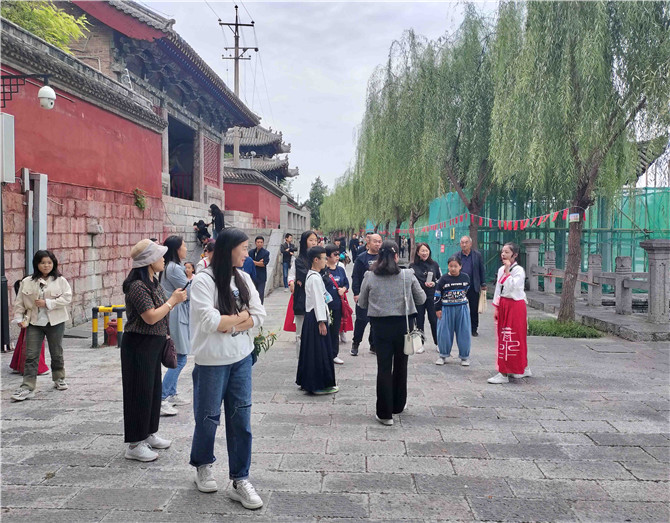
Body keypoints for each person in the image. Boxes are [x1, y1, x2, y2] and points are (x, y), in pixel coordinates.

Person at [189, 228, 265, 509]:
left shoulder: (243, 278)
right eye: (243, 248)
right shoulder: (203, 281)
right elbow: (210, 322)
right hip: (212, 362)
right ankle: (203, 464)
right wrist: (242, 317)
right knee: (207, 418)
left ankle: (240, 479)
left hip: (241, 358)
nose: (247, 253)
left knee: (241, 420)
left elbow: (259, 314)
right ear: (229, 249)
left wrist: (231, 322)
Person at [120, 239, 188, 461]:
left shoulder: (153, 282)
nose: (163, 259)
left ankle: (148, 433)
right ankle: (134, 444)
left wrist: (171, 307)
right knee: (138, 392)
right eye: (159, 256)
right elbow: (150, 317)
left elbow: (160, 313)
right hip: (138, 344)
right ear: (149, 261)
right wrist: (172, 301)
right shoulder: (137, 286)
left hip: (153, 343)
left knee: (152, 391)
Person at [358, 240, 425, 425]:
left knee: (384, 367)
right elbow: (421, 298)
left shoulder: (370, 276)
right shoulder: (407, 275)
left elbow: (362, 303)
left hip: (380, 326)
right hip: (403, 325)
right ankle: (398, 404)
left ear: (379, 256)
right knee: (401, 365)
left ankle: (385, 414)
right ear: (396, 256)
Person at [11, 250, 71, 401]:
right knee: (31, 354)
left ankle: (59, 377)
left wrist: (48, 303)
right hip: (34, 322)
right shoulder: (27, 281)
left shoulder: (60, 280)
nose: (46, 266)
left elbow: (67, 298)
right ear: (37, 264)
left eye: (49, 263)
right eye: (43, 263)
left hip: (55, 322)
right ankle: (27, 386)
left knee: (56, 352)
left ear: (54, 264)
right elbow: (19, 302)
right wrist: (19, 318)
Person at [296, 246, 338, 395]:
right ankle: (318, 385)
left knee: (313, 351)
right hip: (315, 317)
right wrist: (321, 321)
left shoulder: (313, 275)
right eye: (324, 258)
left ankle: (310, 382)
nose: (326, 261)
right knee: (318, 352)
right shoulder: (314, 278)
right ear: (316, 259)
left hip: (313, 316)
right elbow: (318, 301)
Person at [488, 242, 531, 384]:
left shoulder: (519, 270)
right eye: (502, 252)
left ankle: (516, 368)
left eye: (507, 252)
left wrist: (507, 272)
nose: (503, 254)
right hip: (504, 304)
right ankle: (511, 369)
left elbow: (513, 287)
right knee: (504, 336)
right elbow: (498, 289)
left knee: (515, 337)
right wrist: (496, 307)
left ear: (515, 255)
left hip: (515, 305)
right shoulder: (501, 269)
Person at [158, 236, 192, 416]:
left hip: (176, 312)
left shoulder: (170, 267)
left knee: (179, 355)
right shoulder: (174, 268)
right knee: (180, 357)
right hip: (176, 313)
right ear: (177, 249)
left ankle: (171, 392)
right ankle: (162, 397)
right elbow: (189, 291)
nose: (186, 249)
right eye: (184, 246)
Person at [286, 231, 319, 356]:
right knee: (300, 332)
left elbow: (323, 277)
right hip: (302, 298)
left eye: (315, 240)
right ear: (304, 242)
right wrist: (293, 282)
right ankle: (301, 357)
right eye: (311, 240)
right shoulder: (299, 260)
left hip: (316, 299)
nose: (314, 243)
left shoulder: (320, 258)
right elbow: (299, 275)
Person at [434, 256, 471, 366]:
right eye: (451, 266)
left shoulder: (465, 278)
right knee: (444, 333)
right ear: (448, 266)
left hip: (462, 308)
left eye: (455, 266)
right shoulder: (443, 279)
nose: (453, 268)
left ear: (460, 266)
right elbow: (437, 295)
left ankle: (464, 357)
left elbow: (467, 291)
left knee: (464, 332)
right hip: (446, 309)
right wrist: (437, 309)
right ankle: (443, 355)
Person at [351, 233, 382, 356]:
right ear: (368, 243)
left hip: (379, 296)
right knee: (361, 320)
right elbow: (356, 276)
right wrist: (356, 293)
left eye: (379, 241)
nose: (378, 244)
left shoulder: (383, 258)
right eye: (375, 241)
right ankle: (355, 343)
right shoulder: (361, 258)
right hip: (364, 295)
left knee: (376, 322)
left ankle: (373, 345)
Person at [10, 280, 49, 376]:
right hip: (34, 315)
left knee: (23, 340)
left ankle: (18, 365)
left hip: (28, 315)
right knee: (35, 342)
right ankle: (37, 367)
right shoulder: (31, 281)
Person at [410, 243, 441, 353]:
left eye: (426, 250)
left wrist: (434, 283)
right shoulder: (412, 266)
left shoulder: (434, 265)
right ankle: (420, 344)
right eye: (422, 251)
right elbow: (410, 282)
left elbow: (440, 279)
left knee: (434, 319)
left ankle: (438, 343)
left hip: (431, 296)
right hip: (418, 297)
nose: (424, 253)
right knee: (419, 320)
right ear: (418, 253)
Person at [454, 236, 487, 337]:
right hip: (460, 286)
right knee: (460, 308)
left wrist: (483, 283)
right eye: (462, 243)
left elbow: (481, 269)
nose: (464, 245)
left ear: (470, 244)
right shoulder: (456, 256)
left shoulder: (477, 255)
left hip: (473, 285)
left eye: (466, 242)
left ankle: (474, 328)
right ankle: (461, 328)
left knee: (474, 309)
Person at [324, 244, 349, 365]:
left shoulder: (340, 269)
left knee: (335, 331)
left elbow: (346, 283)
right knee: (325, 330)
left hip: (337, 305)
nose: (337, 257)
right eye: (335, 254)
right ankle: (324, 354)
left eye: (338, 254)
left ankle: (334, 354)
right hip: (326, 306)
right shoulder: (323, 271)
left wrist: (343, 289)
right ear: (328, 256)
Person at [249, 236, 270, 304]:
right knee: (252, 294)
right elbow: (249, 262)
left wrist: (254, 262)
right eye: (258, 242)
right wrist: (258, 262)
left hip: (261, 277)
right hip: (252, 276)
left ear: (263, 243)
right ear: (255, 243)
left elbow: (264, 264)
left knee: (260, 293)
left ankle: (260, 306)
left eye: (261, 242)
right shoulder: (251, 252)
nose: (259, 244)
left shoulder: (266, 253)